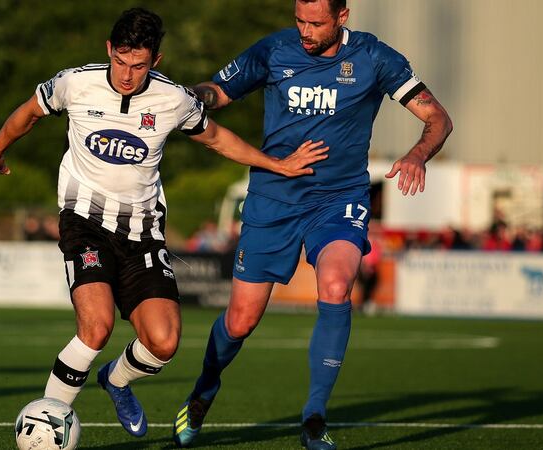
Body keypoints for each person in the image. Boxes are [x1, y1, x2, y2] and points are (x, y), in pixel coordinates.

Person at [0, 7, 327, 439]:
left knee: (163, 343)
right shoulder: (75, 83)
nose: (127, 75)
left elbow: (218, 139)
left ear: (156, 61)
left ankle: (117, 379)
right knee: (96, 327)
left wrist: (277, 164)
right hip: (84, 221)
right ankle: (46, 426)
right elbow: (28, 113)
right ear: (109, 50)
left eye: (139, 65)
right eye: (120, 62)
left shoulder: (173, 100)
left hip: (143, 232)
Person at [172, 1, 453, 448]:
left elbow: (437, 117)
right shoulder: (273, 51)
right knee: (242, 320)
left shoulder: (374, 58)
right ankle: (204, 390)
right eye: (299, 19)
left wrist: (417, 153)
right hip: (273, 198)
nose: (304, 30)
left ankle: (314, 418)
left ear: (343, 17)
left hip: (338, 200)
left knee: (338, 285)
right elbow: (216, 93)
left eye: (315, 22)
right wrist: (180, 96)